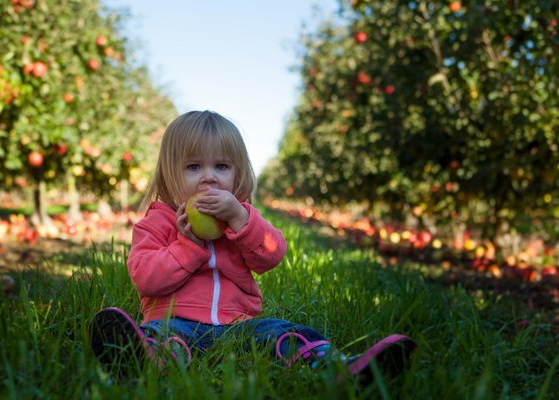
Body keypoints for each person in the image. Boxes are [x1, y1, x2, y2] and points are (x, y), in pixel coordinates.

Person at [90, 110, 415, 381]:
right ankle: (142, 357)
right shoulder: (156, 223)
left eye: (221, 166)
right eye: (193, 167)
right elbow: (146, 278)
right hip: (175, 320)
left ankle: (342, 368)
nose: (209, 178)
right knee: (165, 337)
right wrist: (188, 246)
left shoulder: (241, 218)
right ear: (168, 173)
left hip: (239, 326)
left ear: (237, 172)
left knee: (285, 333)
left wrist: (241, 221)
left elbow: (272, 255)